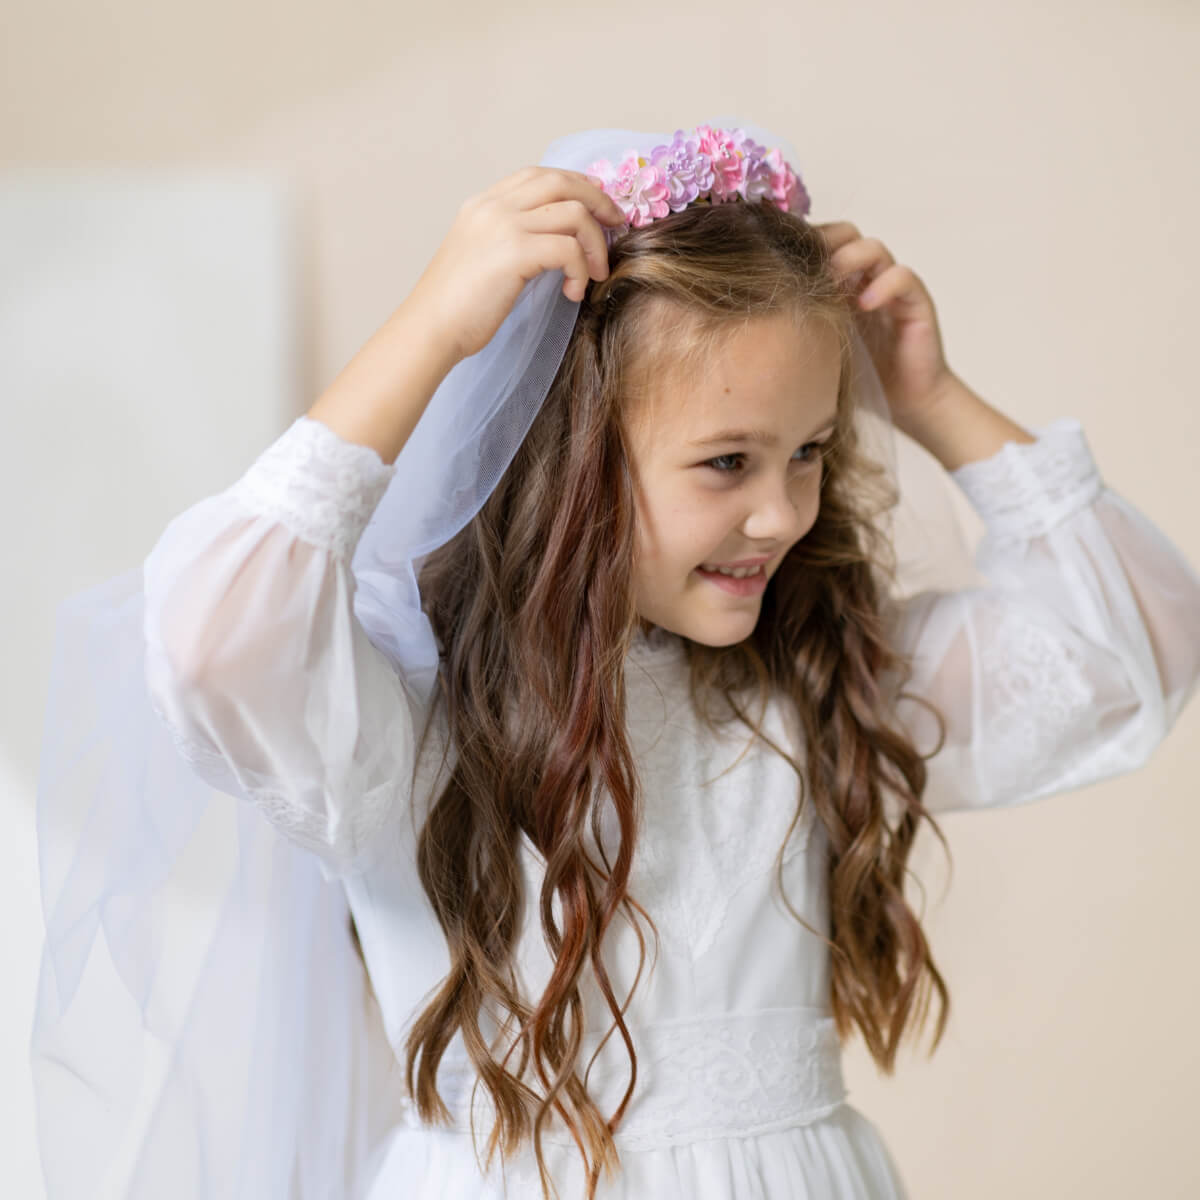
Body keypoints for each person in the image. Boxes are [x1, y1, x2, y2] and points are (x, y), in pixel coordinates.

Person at [31, 120, 1200, 1199]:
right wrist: (434, 328)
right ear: (576, 463)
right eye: (727, 463)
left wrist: (932, 398)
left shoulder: (806, 688)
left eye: (809, 451)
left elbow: (1140, 643)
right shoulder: (414, 720)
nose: (785, 512)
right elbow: (216, 637)